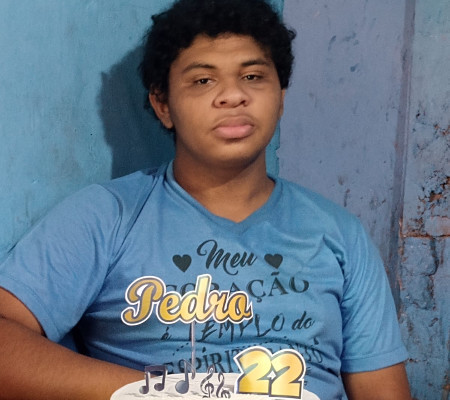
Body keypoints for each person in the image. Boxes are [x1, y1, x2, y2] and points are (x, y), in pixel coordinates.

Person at [0, 0, 411, 399]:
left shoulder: (339, 236)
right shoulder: (106, 217)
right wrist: (163, 396)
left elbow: (382, 391)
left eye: (253, 76)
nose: (233, 95)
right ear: (163, 105)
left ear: (281, 96)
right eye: (203, 80)